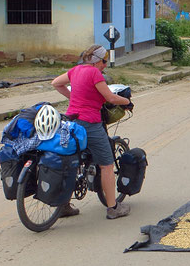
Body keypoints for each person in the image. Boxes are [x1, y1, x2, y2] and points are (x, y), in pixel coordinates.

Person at [51, 45, 133, 219]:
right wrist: (126, 101)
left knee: (72, 160)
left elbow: (56, 83)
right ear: (97, 61)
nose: (105, 65)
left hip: (71, 121)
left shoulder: (76, 70)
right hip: (90, 123)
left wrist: (73, 97)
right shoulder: (95, 73)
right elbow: (110, 97)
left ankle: (63, 204)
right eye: (104, 61)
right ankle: (113, 208)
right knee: (107, 165)